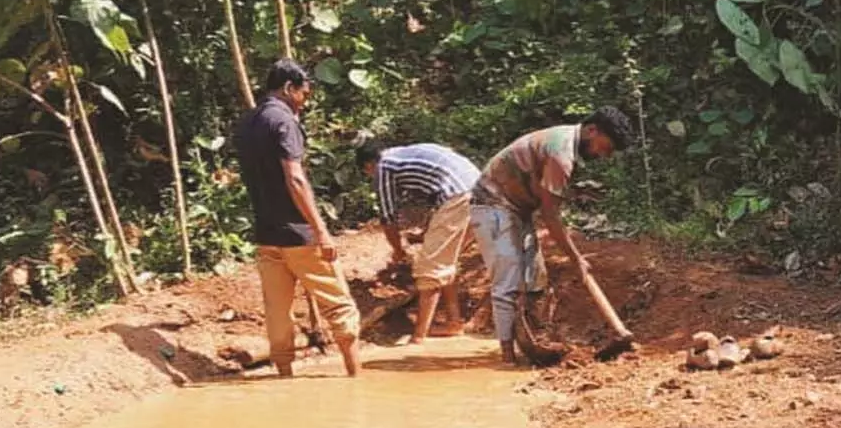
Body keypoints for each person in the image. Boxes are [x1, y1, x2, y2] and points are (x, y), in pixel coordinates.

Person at [469, 106, 633, 365]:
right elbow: (550, 214)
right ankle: (507, 357)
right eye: (606, 147)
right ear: (592, 130)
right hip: (492, 204)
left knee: (535, 278)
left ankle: (534, 341)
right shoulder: (561, 154)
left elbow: (547, 208)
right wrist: (576, 258)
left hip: (517, 208)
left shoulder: (566, 143)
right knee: (508, 279)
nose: (604, 155)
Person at [234, 58, 361, 377]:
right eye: (303, 94)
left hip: (266, 234)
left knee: (277, 312)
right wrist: (321, 230)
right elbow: (295, 178)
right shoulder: (284, 121)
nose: (304, 103)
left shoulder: (246, 123)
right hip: (299, 234)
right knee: (340, 305)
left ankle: (285, 377)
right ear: (289, 88)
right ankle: (355, 375)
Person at [357, 141, 481, 343]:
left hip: (459, 194)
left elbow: (388, 218)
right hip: (478, 190)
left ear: (368, 166)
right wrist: (425, 232)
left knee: (430, 267)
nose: (371, 176)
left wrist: (398, 252)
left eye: (368, 173)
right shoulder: (403, 155)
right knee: (446, 260)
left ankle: (418, 337)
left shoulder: (384, 167)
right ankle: (453, 323)